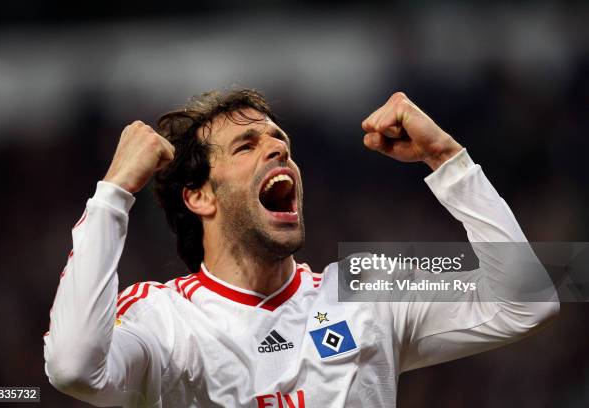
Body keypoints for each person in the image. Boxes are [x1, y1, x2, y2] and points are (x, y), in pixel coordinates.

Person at [43, 89, 558, 407]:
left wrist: (448, 160)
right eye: (247, 146)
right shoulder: (160, 318)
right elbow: (71, 367)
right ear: (199, 196)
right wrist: (113, 194)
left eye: (279, 141)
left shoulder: (366, 285)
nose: (276, 148)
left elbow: (529, 298)